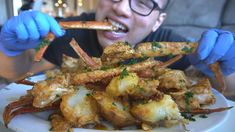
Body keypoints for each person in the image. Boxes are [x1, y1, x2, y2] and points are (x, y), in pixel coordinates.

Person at [0, 0, 235, 91]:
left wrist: (226, 68)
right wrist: (12, 50)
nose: (121, 8)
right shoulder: (63, 31)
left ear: (158, 21)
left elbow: (229, 88)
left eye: (142, 2)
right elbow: (21, 77)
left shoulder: (175, 44)